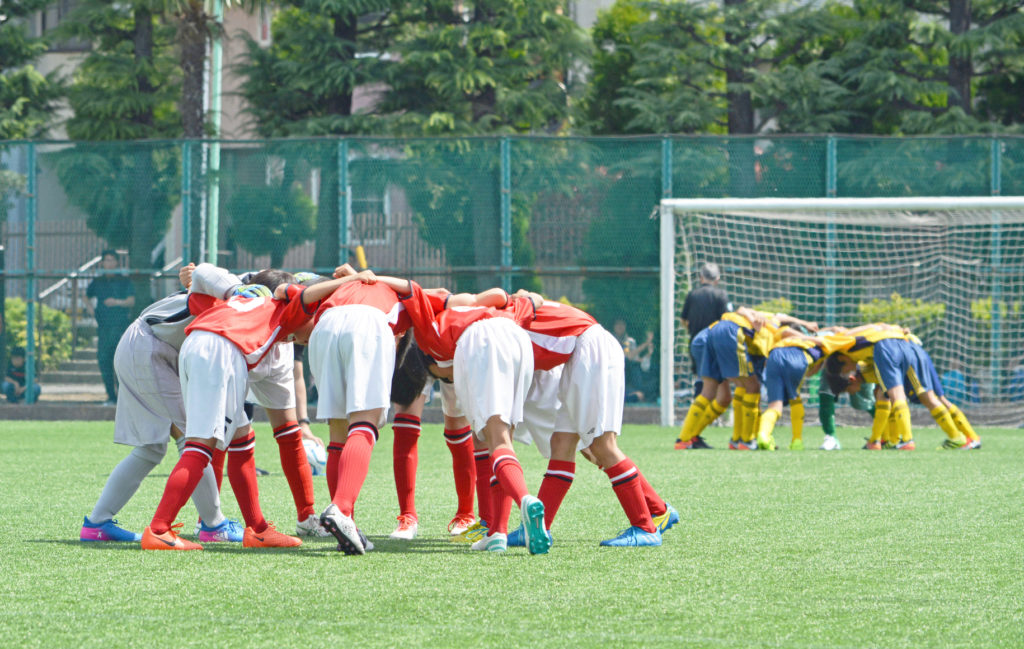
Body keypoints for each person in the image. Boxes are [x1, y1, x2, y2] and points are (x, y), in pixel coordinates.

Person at [141, 269, 369, 550]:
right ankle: (159, 529)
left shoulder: (251, 300)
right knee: (200, 447)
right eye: (320, 319)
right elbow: (305, 295)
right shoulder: (287, 306)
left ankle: (258, 530)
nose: (317, 333)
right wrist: (350, 280)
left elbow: (199, 291)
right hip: (222, 351)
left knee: (241, 438)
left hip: (202, 345)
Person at [81, 267, 245, 543]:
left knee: (151, 448)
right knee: (195, 440)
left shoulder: (226, 296)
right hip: (149, 350)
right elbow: (199, 303)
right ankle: (214, 526)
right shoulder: (224, 301)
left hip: (144, 348)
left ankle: (97, 523)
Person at [507, 295, 678, 547]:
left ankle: (645, 527)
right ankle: (537, 528)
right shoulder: (507, 310)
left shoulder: (499, 321)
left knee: (602, 445)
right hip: (581, 353)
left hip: (589, 351)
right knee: (562, 443)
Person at [822, 324, 971, 451]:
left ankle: (906, 440)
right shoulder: (861, 343)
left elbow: (824, 339)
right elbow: (877, 326)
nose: (850, 372)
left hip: (888, 347)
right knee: (916, 396)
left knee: (899, 396)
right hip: (903, 343)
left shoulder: (840, 344)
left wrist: (808, 339)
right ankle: (960, 437)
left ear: (841, 359)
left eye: (846, 370)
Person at [677, 262, 732, 448]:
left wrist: (694, 331)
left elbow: (684, 320)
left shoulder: (692, 295)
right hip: (714, 344)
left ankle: (693, 434)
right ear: (717, 279)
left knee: (706, 386)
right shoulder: (720, 295)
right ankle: (689, 436)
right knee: (708, 390)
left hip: (696, 343)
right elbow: (726, 320)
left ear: (701, 278)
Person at [86, 250, 135, 406]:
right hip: (103, 327)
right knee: (103, 360)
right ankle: (110, 397)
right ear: (102, 263)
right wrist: (90, 309)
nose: (109, 263)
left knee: (119, 362)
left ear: (116, 263)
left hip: (120, 327)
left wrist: (116, 302)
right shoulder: (98, 281)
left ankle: (122, 397)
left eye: (112, 260)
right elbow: (86, 295)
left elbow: (131, 301)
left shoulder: (124, 281)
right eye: (106, 260)